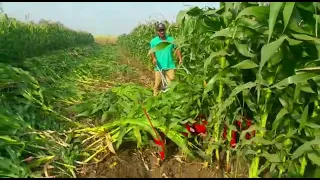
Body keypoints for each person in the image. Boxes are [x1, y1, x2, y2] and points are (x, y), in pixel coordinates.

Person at [150, 23, 183, 96]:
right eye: (160, 30)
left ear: (165, 30)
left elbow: (177, 49)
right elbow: (152, 51)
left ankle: (169, 99)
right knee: (157, 85)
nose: (162, 32)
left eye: (163, 30)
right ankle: (155, 99)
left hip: (170, 65)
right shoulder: (153, 41)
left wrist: (180, 58)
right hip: (159, 66)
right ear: (157, 31)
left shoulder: (171, 39)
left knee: (171, 85)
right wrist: (154, 58)